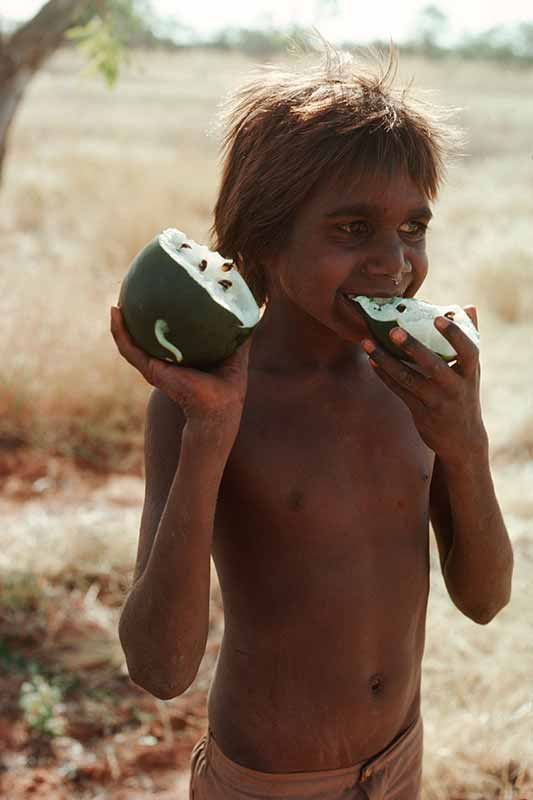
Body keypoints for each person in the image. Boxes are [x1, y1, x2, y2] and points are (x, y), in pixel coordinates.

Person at [110, 43, 514, 800]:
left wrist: (465, 444)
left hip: (400, 760)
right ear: (265, 238)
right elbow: (161, 670)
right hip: (270, 784)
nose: (394, 263)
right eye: (352, 229)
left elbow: (485, 599)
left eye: (413, 227)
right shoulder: (204, 402)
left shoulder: (417, 384)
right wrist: (209, 436)